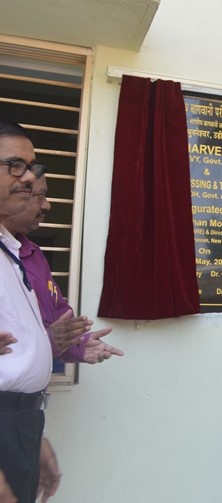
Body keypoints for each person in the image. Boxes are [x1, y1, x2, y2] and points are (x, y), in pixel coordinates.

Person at [3, 175, 122, 364]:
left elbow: (55, 324)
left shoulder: (33, 254)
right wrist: (46, 343)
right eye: (39, 196)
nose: (46, 205)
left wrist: (76, 345)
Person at [0, 119, 51, 503]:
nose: (30, 179)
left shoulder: (14, 250)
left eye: (31, 167)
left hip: (19, 425)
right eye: (15, 165)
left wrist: (34, 436)